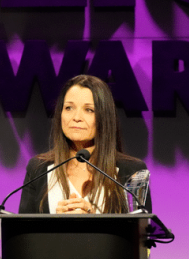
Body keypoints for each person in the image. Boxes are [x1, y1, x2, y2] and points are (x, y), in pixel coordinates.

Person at [19, 74, 151, 214]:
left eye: (89, 110)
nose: (76, 118)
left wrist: (95, 222)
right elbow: (22, 233)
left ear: (104, 117)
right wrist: (55, 224)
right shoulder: (38, 169)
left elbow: (141, 232)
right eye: (69, 108)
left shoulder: (133, 171)